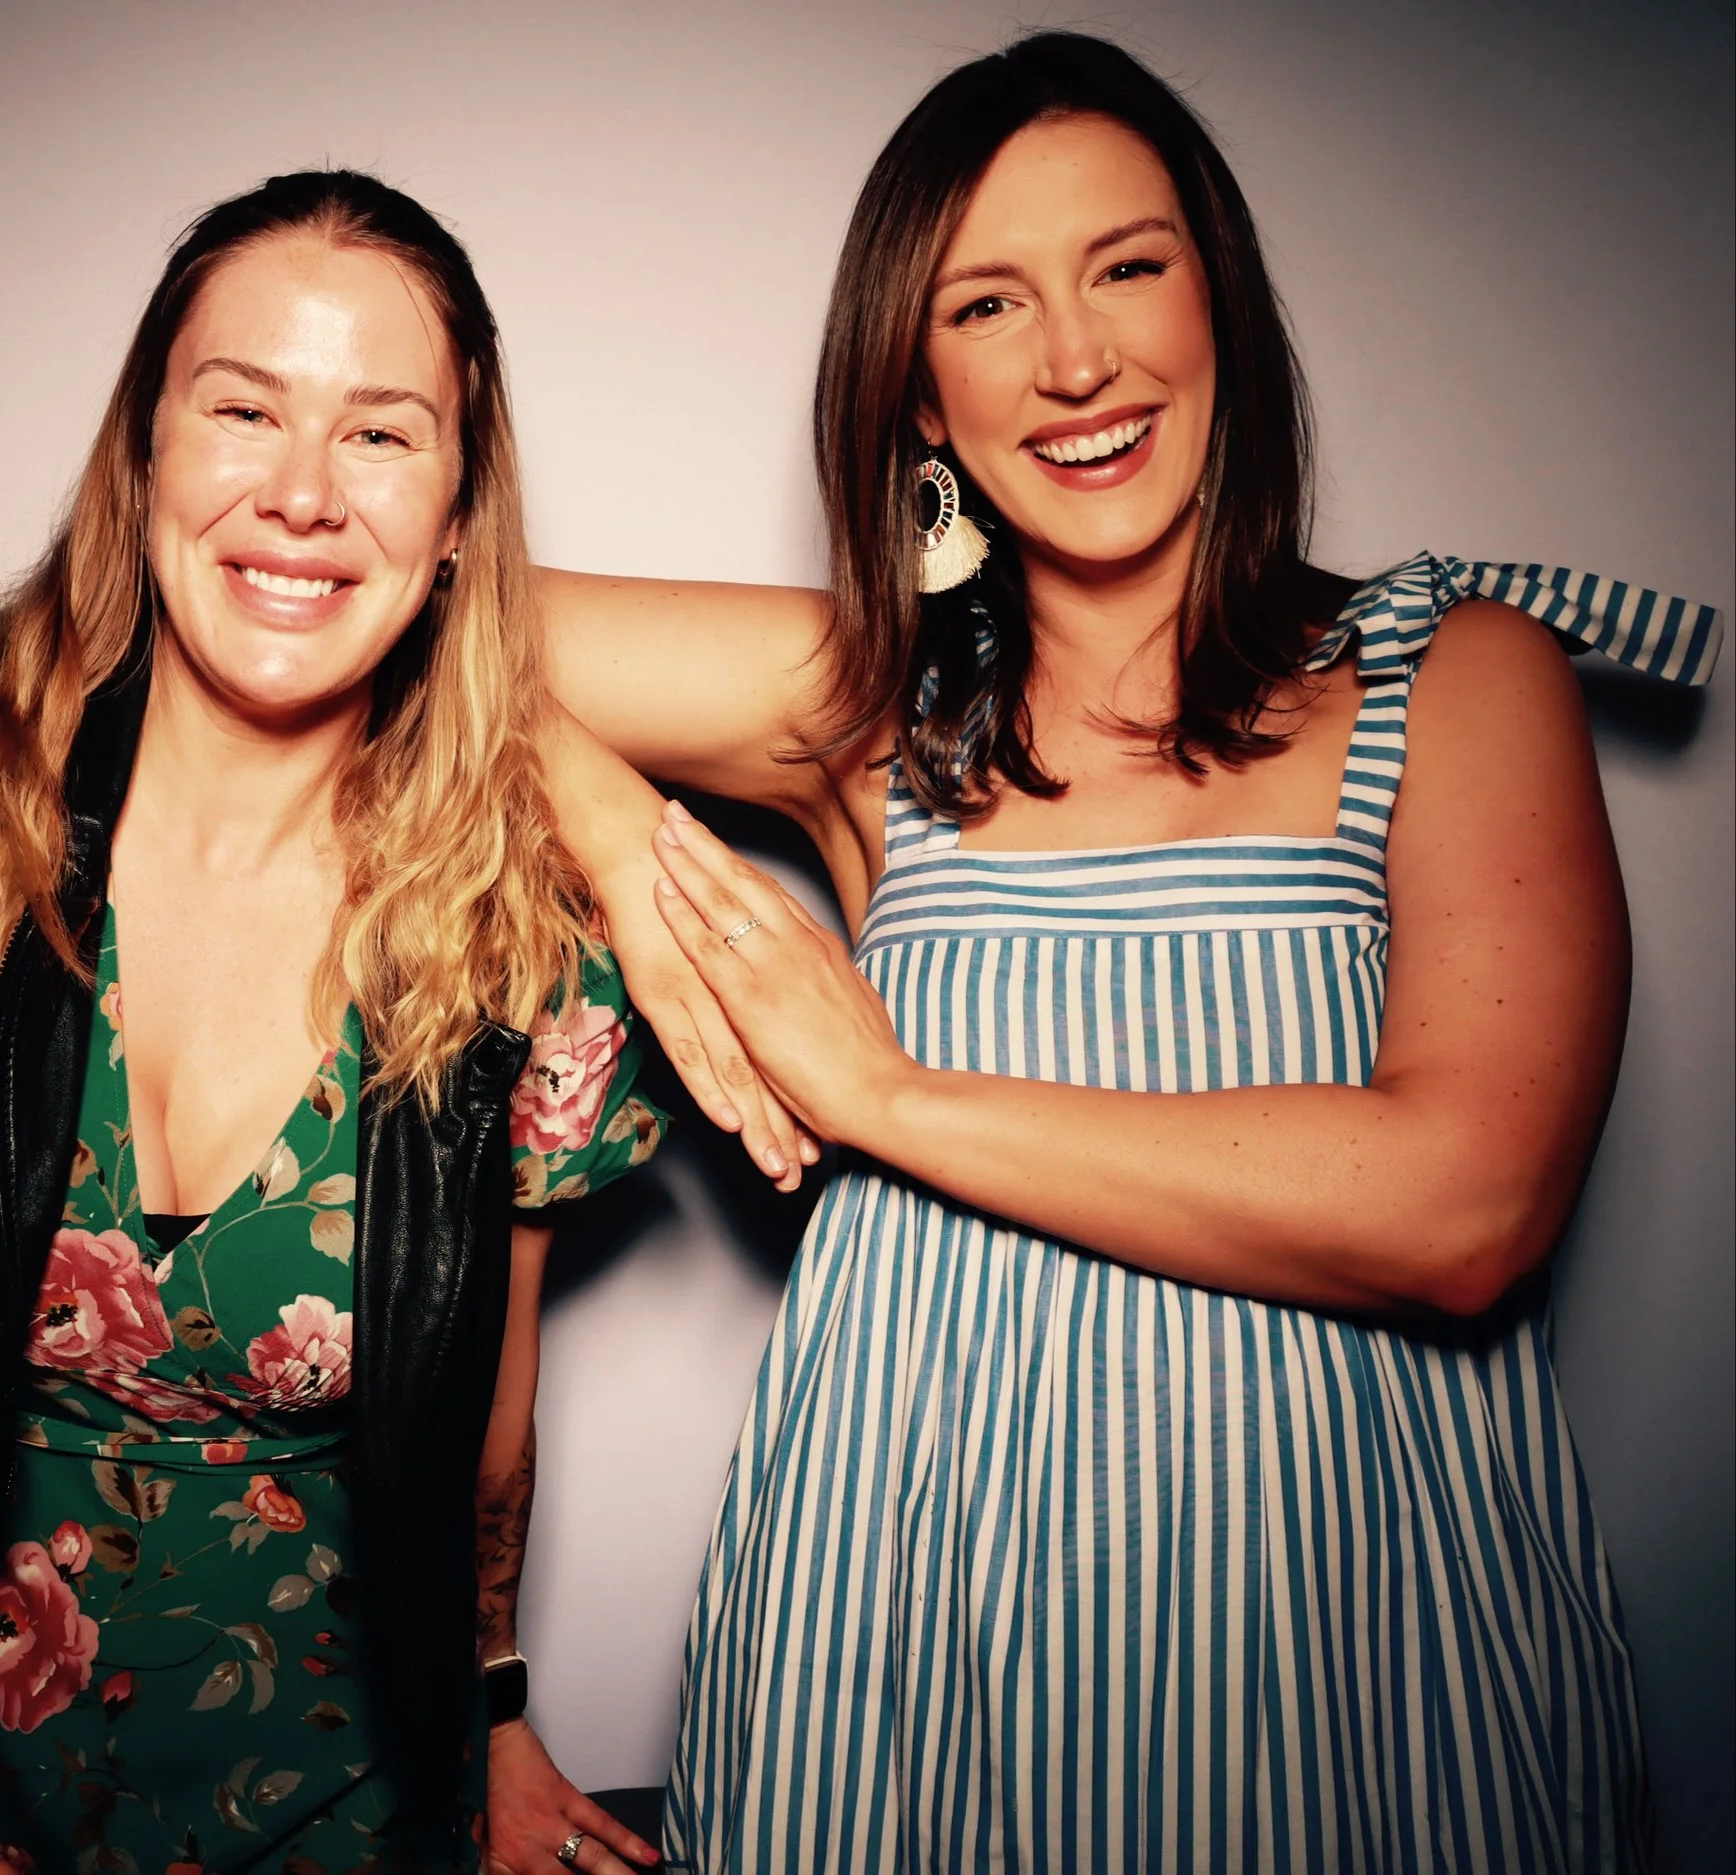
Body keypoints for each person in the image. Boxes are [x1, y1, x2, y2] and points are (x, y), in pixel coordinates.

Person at [536, 34, 1721, 1874]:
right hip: (899, 1655)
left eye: (1127, 267)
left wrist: (886, 1095)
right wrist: (615, 840)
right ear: (922, 402)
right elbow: (388, 608)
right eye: (987, 304)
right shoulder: (877, 710)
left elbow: (1468, 1204)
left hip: (1355, 1672)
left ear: (1216, 303)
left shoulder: (1457, 674)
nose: (1076, 360)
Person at [0, 171, 669, 1875]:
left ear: (456, 518)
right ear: (144, 452)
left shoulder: (521, 924)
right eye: (244, 409)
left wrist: (493, 1708)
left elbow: (484, 1429)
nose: (303, 492)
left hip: (351, 1816)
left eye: (380, 434)